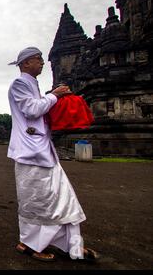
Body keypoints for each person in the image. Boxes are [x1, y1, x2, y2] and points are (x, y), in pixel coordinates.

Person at [8, 47, 98, 262]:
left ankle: (70, 244)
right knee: (37, 200)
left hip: (42, 150)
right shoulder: (20, 83)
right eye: (37, 59)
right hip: (31, 153)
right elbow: (31, 109)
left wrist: (61, 99)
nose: (42, 62)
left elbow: (41, 111)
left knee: (62, 199)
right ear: (25, 63)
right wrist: (54, 96)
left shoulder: (33, 84)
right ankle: (28, 243)